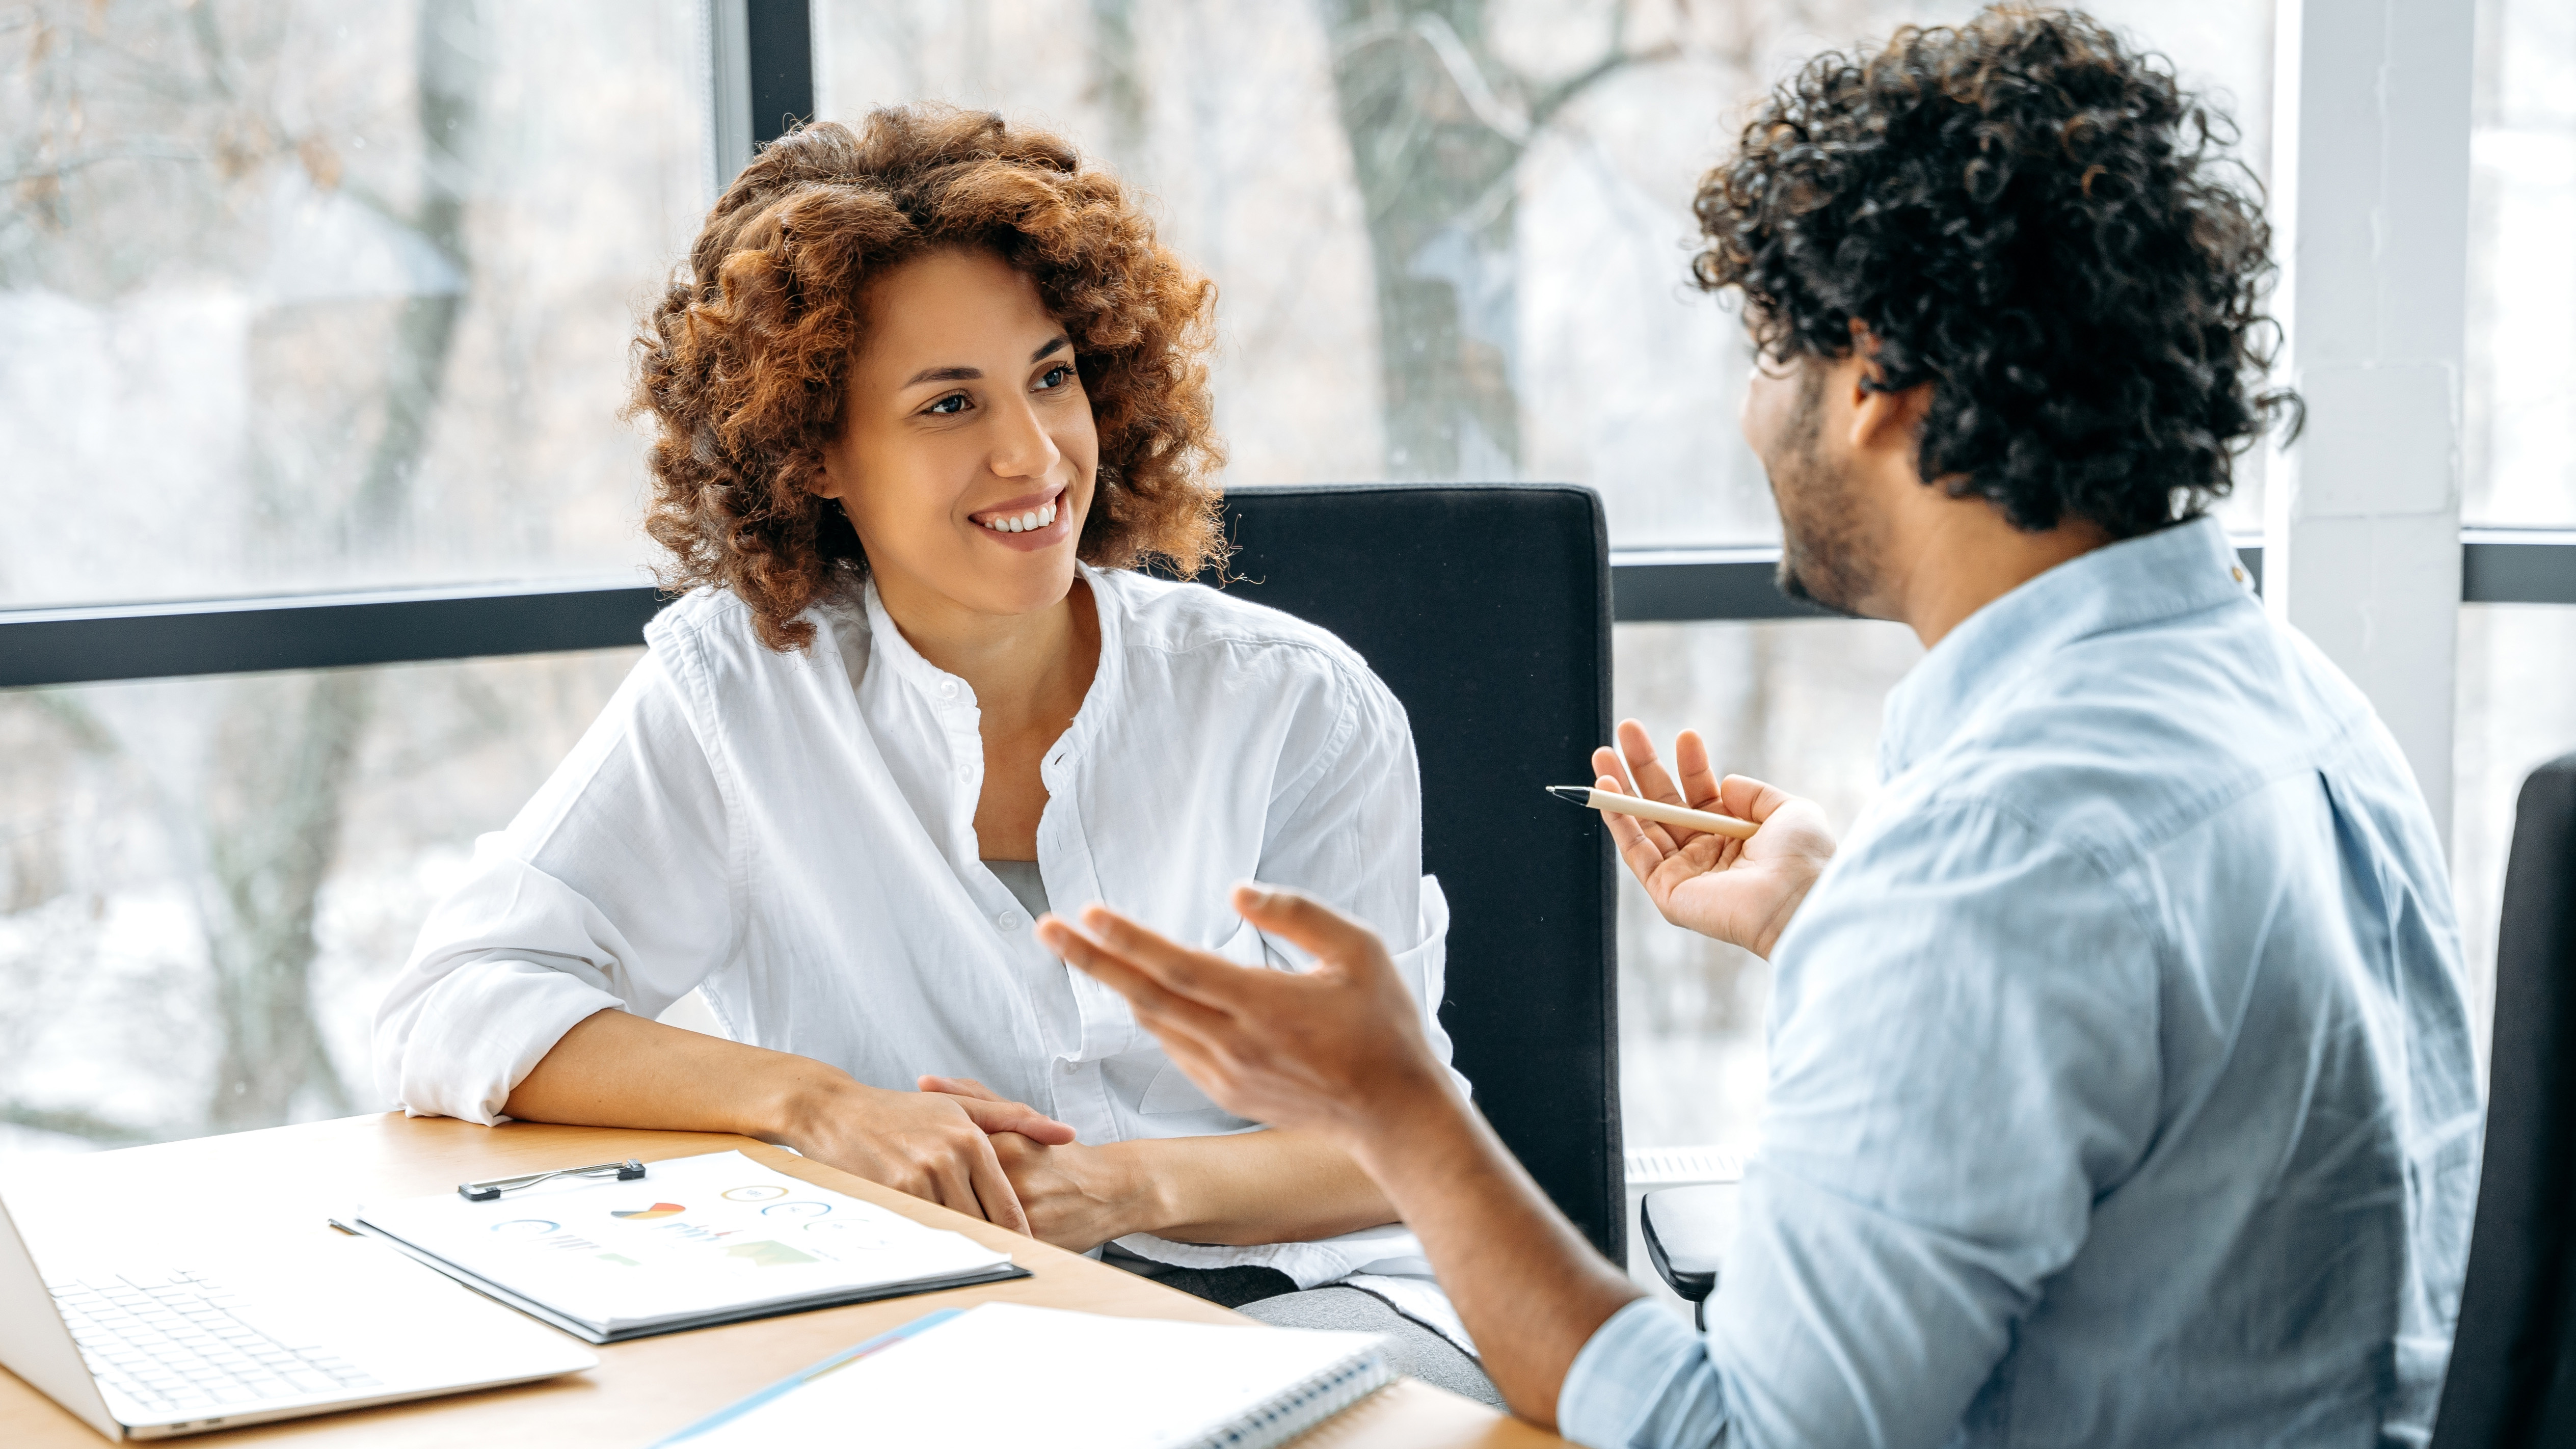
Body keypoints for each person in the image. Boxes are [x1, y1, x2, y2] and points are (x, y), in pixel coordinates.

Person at [1039, 10, 2480, 1447]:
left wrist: (1397, 1103)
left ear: (1869, 379)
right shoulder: (2297, 708)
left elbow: (1728, 1440)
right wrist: (1830, 924)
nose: (1750, 416)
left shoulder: (1995, 861)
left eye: (1767, 356)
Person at [369, 105, 1498, 1403]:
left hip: (1315, 1301)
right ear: (817, 457)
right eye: (948, 402)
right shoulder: (736, 694)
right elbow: (455, 1005)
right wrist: (814, 1106)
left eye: (1052, 375)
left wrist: (1116, 1188)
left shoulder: (1294, 706)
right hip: (936, 1328)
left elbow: (1399, 1137)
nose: (1030, 453)